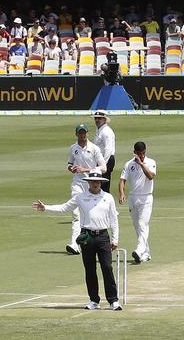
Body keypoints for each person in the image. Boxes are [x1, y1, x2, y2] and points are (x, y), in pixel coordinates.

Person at [32, 169, 122, 311]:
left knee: (107, 267)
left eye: (97, 181)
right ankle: (94, 300)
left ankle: (113, 300)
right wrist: (46, 208)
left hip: (103, 236)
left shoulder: (108, 197)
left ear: (101, 183)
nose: (95, 184)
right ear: (89, 182)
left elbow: (114, 219)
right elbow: (64, 207)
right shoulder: (80, 197)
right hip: (87, 236)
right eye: (93, 181)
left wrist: (115, 239)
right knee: (90, 269)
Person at [65, 124, 107, 254]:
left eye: (84, 133)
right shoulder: (73, 148)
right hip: (77, 184)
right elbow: (69, 163)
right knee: (76, 213)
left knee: (91, 214)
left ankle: (91, 241)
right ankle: (74, 244)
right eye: (80, 133)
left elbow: (103, 168)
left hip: (91, 184)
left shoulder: (94, 148)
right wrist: (71, 168)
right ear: (76, 134)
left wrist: (86, 169)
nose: (82, 135)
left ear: (87, 134)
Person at [119, 141, 156, 263]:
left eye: (143, 153)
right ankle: (146, 253)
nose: (142, 156)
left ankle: (139, 250)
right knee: (137, 227)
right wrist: (122, 193)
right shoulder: (129, 164)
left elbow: (150, 176)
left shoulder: (151, 162)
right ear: (134, 152)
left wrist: (141, 164)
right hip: (132, 198)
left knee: (142, 224)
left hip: (146, 198)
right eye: (139, 154)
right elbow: (122, 180)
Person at [91, 110, 116, 192]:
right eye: (96, 118)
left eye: (100, 118)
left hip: (106, 160)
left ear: (105, 119)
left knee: (103, 184)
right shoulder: (99, 130)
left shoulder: (106, 131)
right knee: (100, 184)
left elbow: (108, 149)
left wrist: (103, 164)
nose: (97, 120)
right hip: (101, 160)